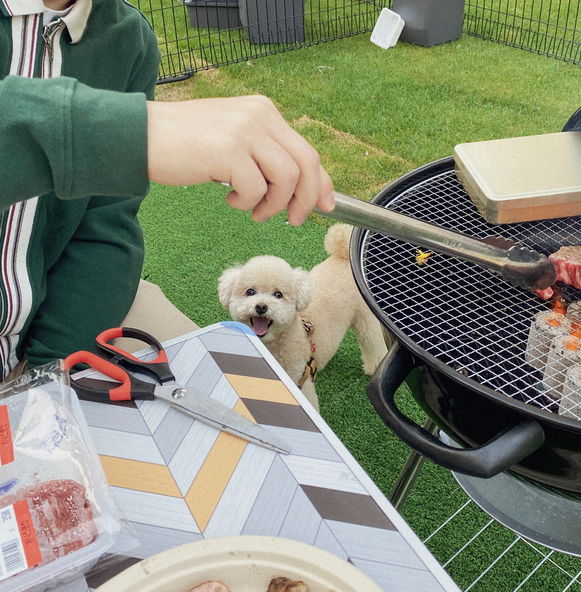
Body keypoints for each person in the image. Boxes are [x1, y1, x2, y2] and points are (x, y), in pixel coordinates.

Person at [0, 0, 334, 380]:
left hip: (61, 309)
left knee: (238, 390)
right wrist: (124, 132)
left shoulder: (129, 36)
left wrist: (51, 373)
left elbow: (103, 226)